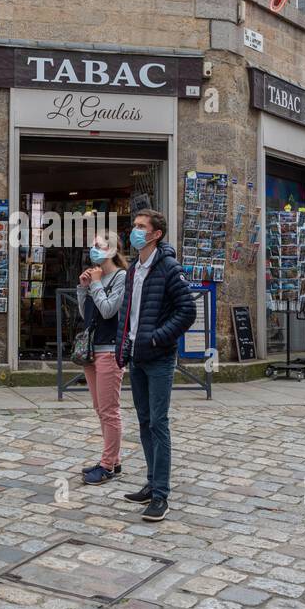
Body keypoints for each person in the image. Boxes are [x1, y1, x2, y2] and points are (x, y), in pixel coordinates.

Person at [114, 209, 195, 523]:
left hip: (158, 358)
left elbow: (186, 311)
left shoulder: (169, 268)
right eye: (134, 226)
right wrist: (126, 348)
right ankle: (151, 481)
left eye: (141, 227)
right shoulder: (134, 269)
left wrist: (158, 338)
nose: (135, 231)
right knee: (145, 422)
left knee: (159, 424)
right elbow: (128, 313)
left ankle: (161, 494)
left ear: (156, 234)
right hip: (136, 357)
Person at [76, 230, 128, 485]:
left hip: (109, 349)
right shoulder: (97, 276)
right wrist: (84, 288)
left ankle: (107, 465)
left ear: (112, 250)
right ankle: (114, 459)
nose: (94, 250)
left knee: (109, 410)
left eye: (99, 245)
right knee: (99, 408)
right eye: (92, 245)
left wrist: (96, 284)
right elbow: (86, 314)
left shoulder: (121, 277)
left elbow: (108, 311)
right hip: (91, 349)